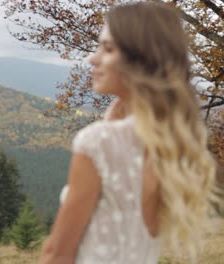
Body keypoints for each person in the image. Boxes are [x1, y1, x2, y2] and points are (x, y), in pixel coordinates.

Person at [39, 2, 219, 264]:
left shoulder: (98, 142)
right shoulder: (170, 145)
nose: (93, 58)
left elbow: (57, 254)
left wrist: (106, 130)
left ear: (140, 59)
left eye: (108, 48)